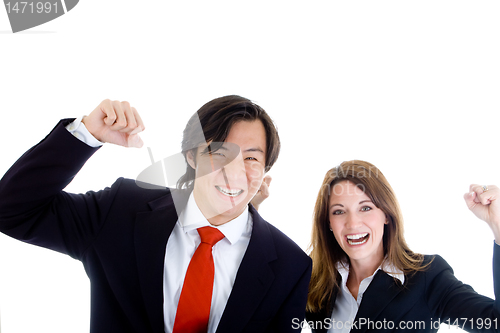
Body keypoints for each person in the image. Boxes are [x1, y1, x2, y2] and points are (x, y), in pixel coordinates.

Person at [0, 96, 312, 333]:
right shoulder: (120, 211)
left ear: (265, 169)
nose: (235, 172)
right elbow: (12, 210)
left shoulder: (290, 266)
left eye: (252, 158)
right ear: (191, 156)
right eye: (219, 152)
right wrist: (87, 135)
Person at [304, 160, 500, 333]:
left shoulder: (428, 277)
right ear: (328, 222)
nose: (353, 223)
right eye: (339, 211)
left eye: (365, 208)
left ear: (387, 215)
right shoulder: (317, 283)